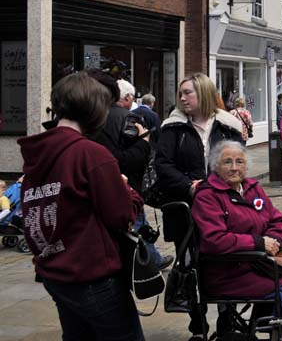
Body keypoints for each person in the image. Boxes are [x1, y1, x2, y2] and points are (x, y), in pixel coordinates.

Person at [19, 72, 145, 340]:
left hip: (55, 271)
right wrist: (129, 191)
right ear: (95, 111)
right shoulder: (90, 153)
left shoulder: (38, 152)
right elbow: (121, 215)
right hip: (93, 274)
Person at [193, 142, 282, 341]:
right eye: (227, 162)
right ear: (216, 166)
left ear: (246, 166)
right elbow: (215, 239)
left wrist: (274, 240)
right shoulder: (208, 196)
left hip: (262, 265)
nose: (234, 167)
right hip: (230, 271)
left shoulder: (252, 188)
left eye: (239, 162)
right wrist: (258, 243)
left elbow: (277, 220)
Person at [156, 72, 244, 339]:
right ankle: (198, 326)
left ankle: (227, 321)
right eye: (180, 94)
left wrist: (219, 187)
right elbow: (163, 165)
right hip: (184, 212)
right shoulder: (172, 127)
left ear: (204, 94)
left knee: (228, 263)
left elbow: (237, 163)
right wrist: (189, 185)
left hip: (224, 209)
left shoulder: (228, 126)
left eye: (188, 93)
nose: (182, 98)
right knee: (191, 269)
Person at [88, 74, 171, 270]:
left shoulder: (94, 119)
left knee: (135, 223)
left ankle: (151, 258)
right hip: (126, 183)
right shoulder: (127, 118)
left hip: (104, 183)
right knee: (136, 223)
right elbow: (127, 159)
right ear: (124, 98)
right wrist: (144, 142)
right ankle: (146, 260)